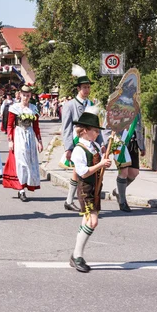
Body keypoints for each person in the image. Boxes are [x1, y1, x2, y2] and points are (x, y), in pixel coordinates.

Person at [69, 107, 111, 273]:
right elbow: (83, 171)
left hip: (95, 188)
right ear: (85, 131)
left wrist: (103, 158)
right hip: (85, 189)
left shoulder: (93, 145)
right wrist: (100, 164)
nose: (97, 134)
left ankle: (75, 255)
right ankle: (77, 255)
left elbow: (97, 165)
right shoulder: (79, 150)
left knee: (86, 222)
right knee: (93, 222)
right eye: (94, 131)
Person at [61, 65, 103, 211]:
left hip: (89, 142)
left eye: (88, 87)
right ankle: (72, 200)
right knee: (78, 171)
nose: (87, 90)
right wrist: (68, 147)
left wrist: (100, 142)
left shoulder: (91, 104)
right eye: (84, 87)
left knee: (80, 172)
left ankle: (72, 200)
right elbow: (66, 128)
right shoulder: (70, 105)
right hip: (76, 141)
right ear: (78, 88)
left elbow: (96, 125)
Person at [2, 85, 43, 202]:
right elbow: (9, 125)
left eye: (28, 95)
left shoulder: (33, 108)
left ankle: (25, 184)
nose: (25, 97)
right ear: (20, 95)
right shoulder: (14, 108)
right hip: (19, 134)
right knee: (21, 162)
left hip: (29, 135)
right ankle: (20, 189)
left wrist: (39, 141)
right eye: (24, 95)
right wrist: (10, 140)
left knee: (29, 162)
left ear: (30, 96)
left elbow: (36, 126)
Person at [112, 113, 146, 212]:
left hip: (133, 143)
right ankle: (122, 202)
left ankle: (118, 191)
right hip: (120, 143)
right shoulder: (115, 104)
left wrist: (142, 146)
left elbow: (139, 127)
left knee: (134, 173)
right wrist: (105, 144)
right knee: (124, 172)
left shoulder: (136, 107)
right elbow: (107, 126)